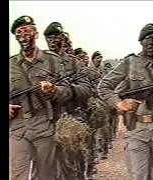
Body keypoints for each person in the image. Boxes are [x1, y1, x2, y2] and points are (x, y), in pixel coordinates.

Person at [97, 23, 153, 180]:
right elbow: (104, 87)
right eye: (147, 39)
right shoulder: (130, 63)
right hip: (137, 129)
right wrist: (119, 103)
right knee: (138, 176)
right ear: (141, 42)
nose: (151, 43)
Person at [9, 15, 74, 180]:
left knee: (45, 175)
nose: (24, 35)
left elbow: (68, 91)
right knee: (17, 174)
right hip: (18, 127)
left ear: (36, 34)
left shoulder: (52, 61)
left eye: (28, 30)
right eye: (19, 31)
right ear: (16, 36)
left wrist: (54, 91)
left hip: (45, 124)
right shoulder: (10, 65)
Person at [43, 22, 93, 180]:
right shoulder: (41, 63)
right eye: (49, 38)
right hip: (46, 120)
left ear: (63, 39)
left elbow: (87, 90)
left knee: (69, 164)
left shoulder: (75, 63)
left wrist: (70, 89)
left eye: (55, 38)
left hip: (71, 118)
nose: (52, 42)